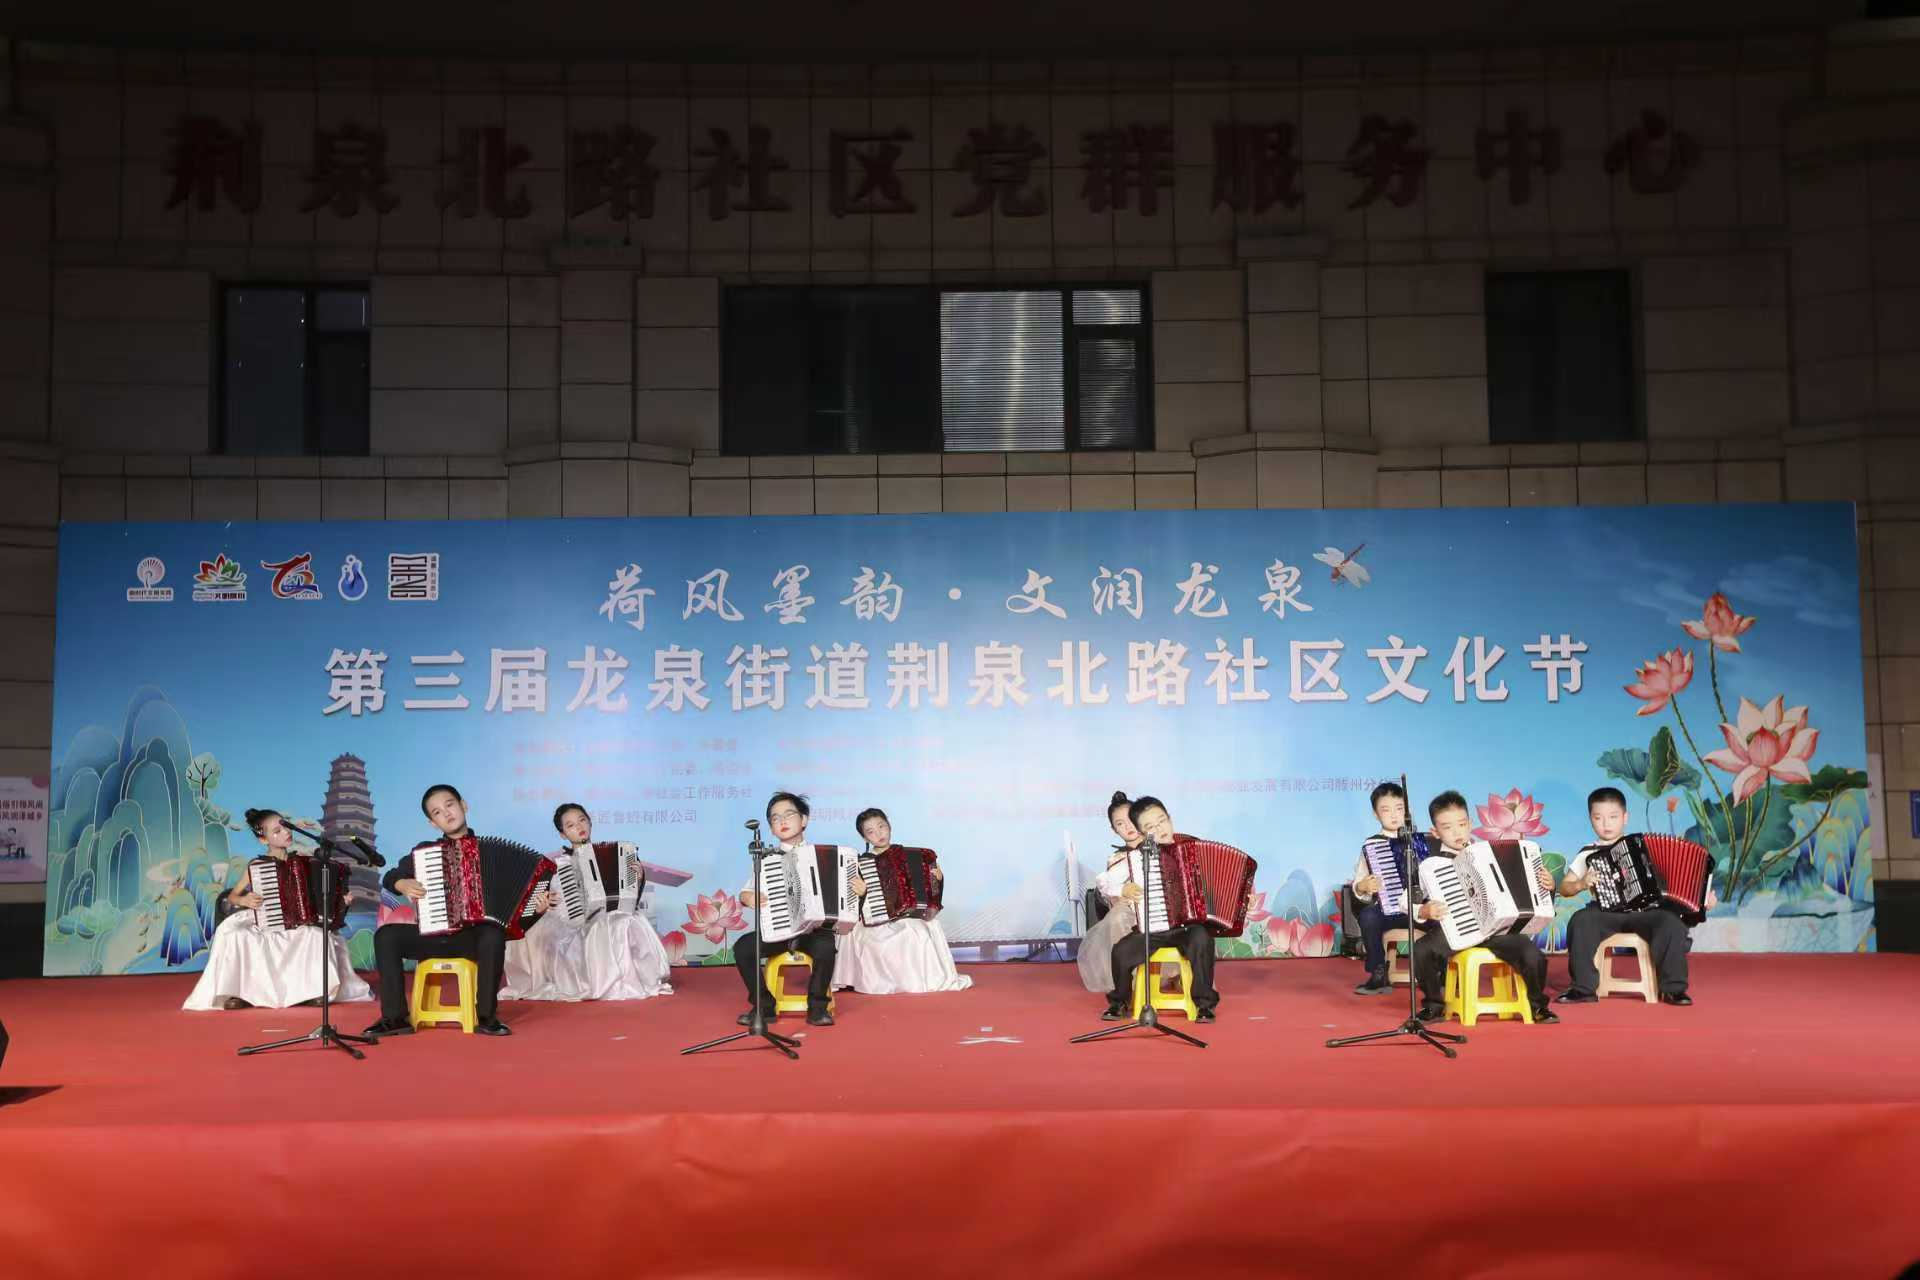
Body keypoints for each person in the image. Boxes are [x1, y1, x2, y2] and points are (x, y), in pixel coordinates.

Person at [362, 784, 553, 1038]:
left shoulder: (488, 851)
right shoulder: (425, 852)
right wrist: (401, 883)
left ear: (463, 805)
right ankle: (394, 1018)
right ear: (433, 823)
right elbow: (391, 876)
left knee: (493, 933)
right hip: (433, 937)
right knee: (386, 936)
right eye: (437, 812)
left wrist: (537, 911)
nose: (446, 813)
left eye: (449, 805)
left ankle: (486, 1017)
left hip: (473, 940)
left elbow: (515, 924)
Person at [183, 808, 371, 1011]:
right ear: (263, 839)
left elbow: (322, 895)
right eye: (277, 831)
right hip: (267, 920)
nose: (286, 833)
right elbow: (232, 896)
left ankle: (313, 991)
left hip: (299, 922)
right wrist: (244, 899)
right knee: (238, 936)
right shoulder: (257, 866)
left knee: (316, 936)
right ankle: (240, 993)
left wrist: (340, 901)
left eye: (286, 826)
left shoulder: (304, 861)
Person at [1409, 790, 1558, 1025]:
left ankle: (1538, 1006)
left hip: (1497, 931)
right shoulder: (1432, 866)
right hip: (1456, 929)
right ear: (1435, 832)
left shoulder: (1489, 853)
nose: (1457, 832)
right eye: (1447, 827)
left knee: (1532, 955)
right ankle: (1433, 1005)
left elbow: (1530, 890)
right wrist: (1422, 910)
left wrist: (1548, 886)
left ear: (1470, 823)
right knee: (1421, 950)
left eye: (1461, 824)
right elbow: (1405, 899)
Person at [1555, 786, 1694, 1006]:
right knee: (1580, 921)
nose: (1606, 824)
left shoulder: (1643, 846)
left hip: (1644, 912)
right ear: (1590, 819)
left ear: (1625, 817)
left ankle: (1674, 989)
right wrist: (1581, 884)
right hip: (1604, 911)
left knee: (1670, 922)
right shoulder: (1588, 852)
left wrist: (1700, 901)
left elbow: (1671, 881)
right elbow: (1564, 887)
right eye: (1598, 818)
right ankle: (1582, 988)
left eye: (1613, 817)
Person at [1097, 796, 1220, 1024]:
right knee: (1121, 952)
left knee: (1202, 939)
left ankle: (1204, 1005)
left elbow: (1218, 882)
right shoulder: (1138, 857)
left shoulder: (1194, 849)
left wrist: (1244, 897)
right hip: (1152, 928)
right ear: (1143, 833)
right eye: (1150, 827)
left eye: (1162, 821)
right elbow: (1103, 881)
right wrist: (1122, 888)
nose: (1159, 829)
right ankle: (1119, 1002)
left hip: (1187, 928)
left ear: (1170, 819)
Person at [535, 803, 674, 1001]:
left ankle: (629, 980)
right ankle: (611, 981)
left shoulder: (620, 854)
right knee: (613, 924)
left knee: (626, 920)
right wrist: (544, 907)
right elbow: (558, 909)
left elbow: (630, 901)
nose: (579, 826)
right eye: (570, 825)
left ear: (590, 822)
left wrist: (638, 878)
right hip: (579, 927)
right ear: (563, 835)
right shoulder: (561, 867)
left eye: (582, 820)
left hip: (613, 919)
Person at [834, 807, 971, 995]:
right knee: (872, 937)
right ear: (864, 838)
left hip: (908, 915)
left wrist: (937, 879)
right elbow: (851, 902)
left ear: (889, 826)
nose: (879, 834)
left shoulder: (915, 856)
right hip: (876, 918)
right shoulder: (861, 863)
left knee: (915, 931)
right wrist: (863, 892)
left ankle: (916, 981)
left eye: (881, 826)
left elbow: (932, 894)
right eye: (871, 832)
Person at [734, 791, 839, 1027]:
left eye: (789, 814)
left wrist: (858, 889)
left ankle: (818, 1007)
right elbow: (746, 891)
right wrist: (747, 897)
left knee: (826, 948)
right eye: (775, 818)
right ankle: (764, 1007)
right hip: (779, 930)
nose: (782, 821)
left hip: (813, 932)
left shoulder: (823, 856)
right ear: (771, 828)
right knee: (743, 948)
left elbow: (843, 890)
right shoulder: (766, 859)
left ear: (804, 820)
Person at [1349, 781, 1422, 996]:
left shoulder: (1420, 842)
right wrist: (1363, 886)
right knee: (1369, 916)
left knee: (1445, 914)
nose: (1394, 815)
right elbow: (1359, 883)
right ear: (1375, 814)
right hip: (1391, 910)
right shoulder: (1372, 844)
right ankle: (1379, 971)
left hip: (1420, 910)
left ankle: (1442, 970)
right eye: (1386, 810)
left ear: (1407, 811)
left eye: (1399, 809)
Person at [1077, 792, 1144, 994]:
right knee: (1117, 918)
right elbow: (1105, 886)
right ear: (1114, 830)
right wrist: (1122, 889)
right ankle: (1128, 982)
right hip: (1132, 914)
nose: (1128, 826)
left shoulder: (1162, 847)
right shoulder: (1117, 859)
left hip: (1160, 910)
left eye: (1131, 819)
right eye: (1120, 824)